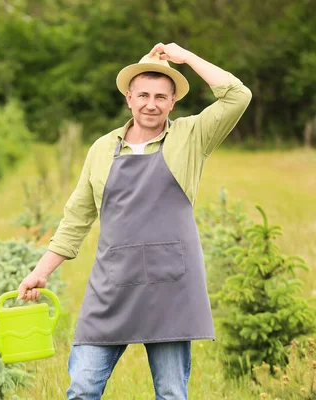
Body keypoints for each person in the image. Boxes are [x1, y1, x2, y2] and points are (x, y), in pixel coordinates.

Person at [16, 42, 252, 400]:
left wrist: (185, 58)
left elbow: (237, 95)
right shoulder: (101, 149)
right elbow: (77, 217)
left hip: (171, 286)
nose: (151, 104)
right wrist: (42, 270)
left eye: (161, 96)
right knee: (81, 389)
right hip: (112, 284)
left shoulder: (191, 137)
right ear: (129, 97)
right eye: (143, 94)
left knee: (172, 393)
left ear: (173, 102)